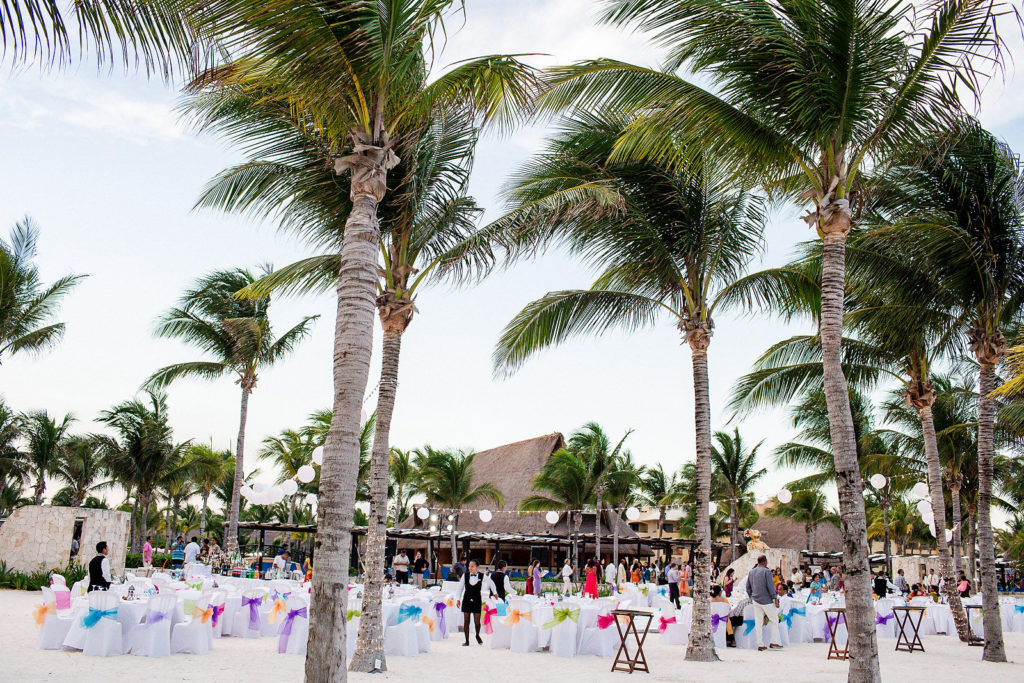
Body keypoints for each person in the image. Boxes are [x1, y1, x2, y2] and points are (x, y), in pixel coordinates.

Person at [745, 555, 783, 651]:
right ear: (765, 562)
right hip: (766, 600)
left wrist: (752, 596)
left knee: (758, 622)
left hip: (755, 600)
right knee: (774, 620)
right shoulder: (766, 571)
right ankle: (773, 641)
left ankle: (760, 644)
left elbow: (747, 587)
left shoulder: (751, 572)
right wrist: (775, 597)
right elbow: (770, 586)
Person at [455, 559, 485, 646]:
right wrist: (458, 599)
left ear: (477, 567)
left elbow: (491, 583)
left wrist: (494, 592)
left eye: (472, 566)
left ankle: (477, 635)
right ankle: (467, 641)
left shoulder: (482, 576)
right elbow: (459, 588)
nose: (470, 568)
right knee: (466, 620)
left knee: (477, 621)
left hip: (477, 599)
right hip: (467, 599)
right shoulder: (465, 575)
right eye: (469, 566)